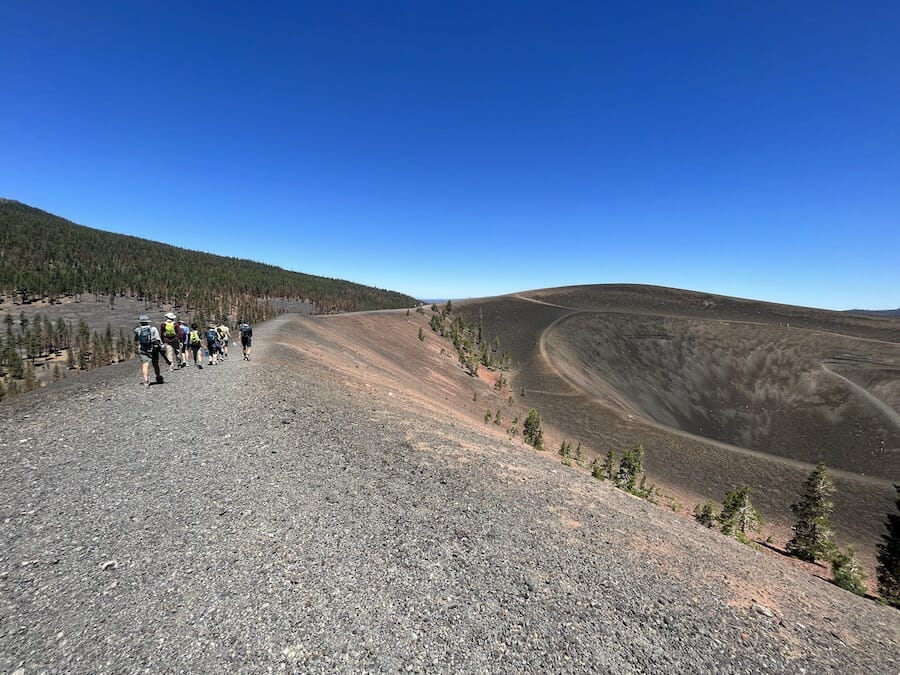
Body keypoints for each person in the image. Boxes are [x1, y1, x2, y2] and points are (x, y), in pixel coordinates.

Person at [134, 315, 163, 386]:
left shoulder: (137, 330)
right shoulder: (153, 329)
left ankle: (146, 380)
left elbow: (136, 340)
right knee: (155, 363)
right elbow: (158, 339)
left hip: (143, 349)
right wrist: (161, 346)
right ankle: (158, 377)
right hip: (153, 348)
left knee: (145, 364)